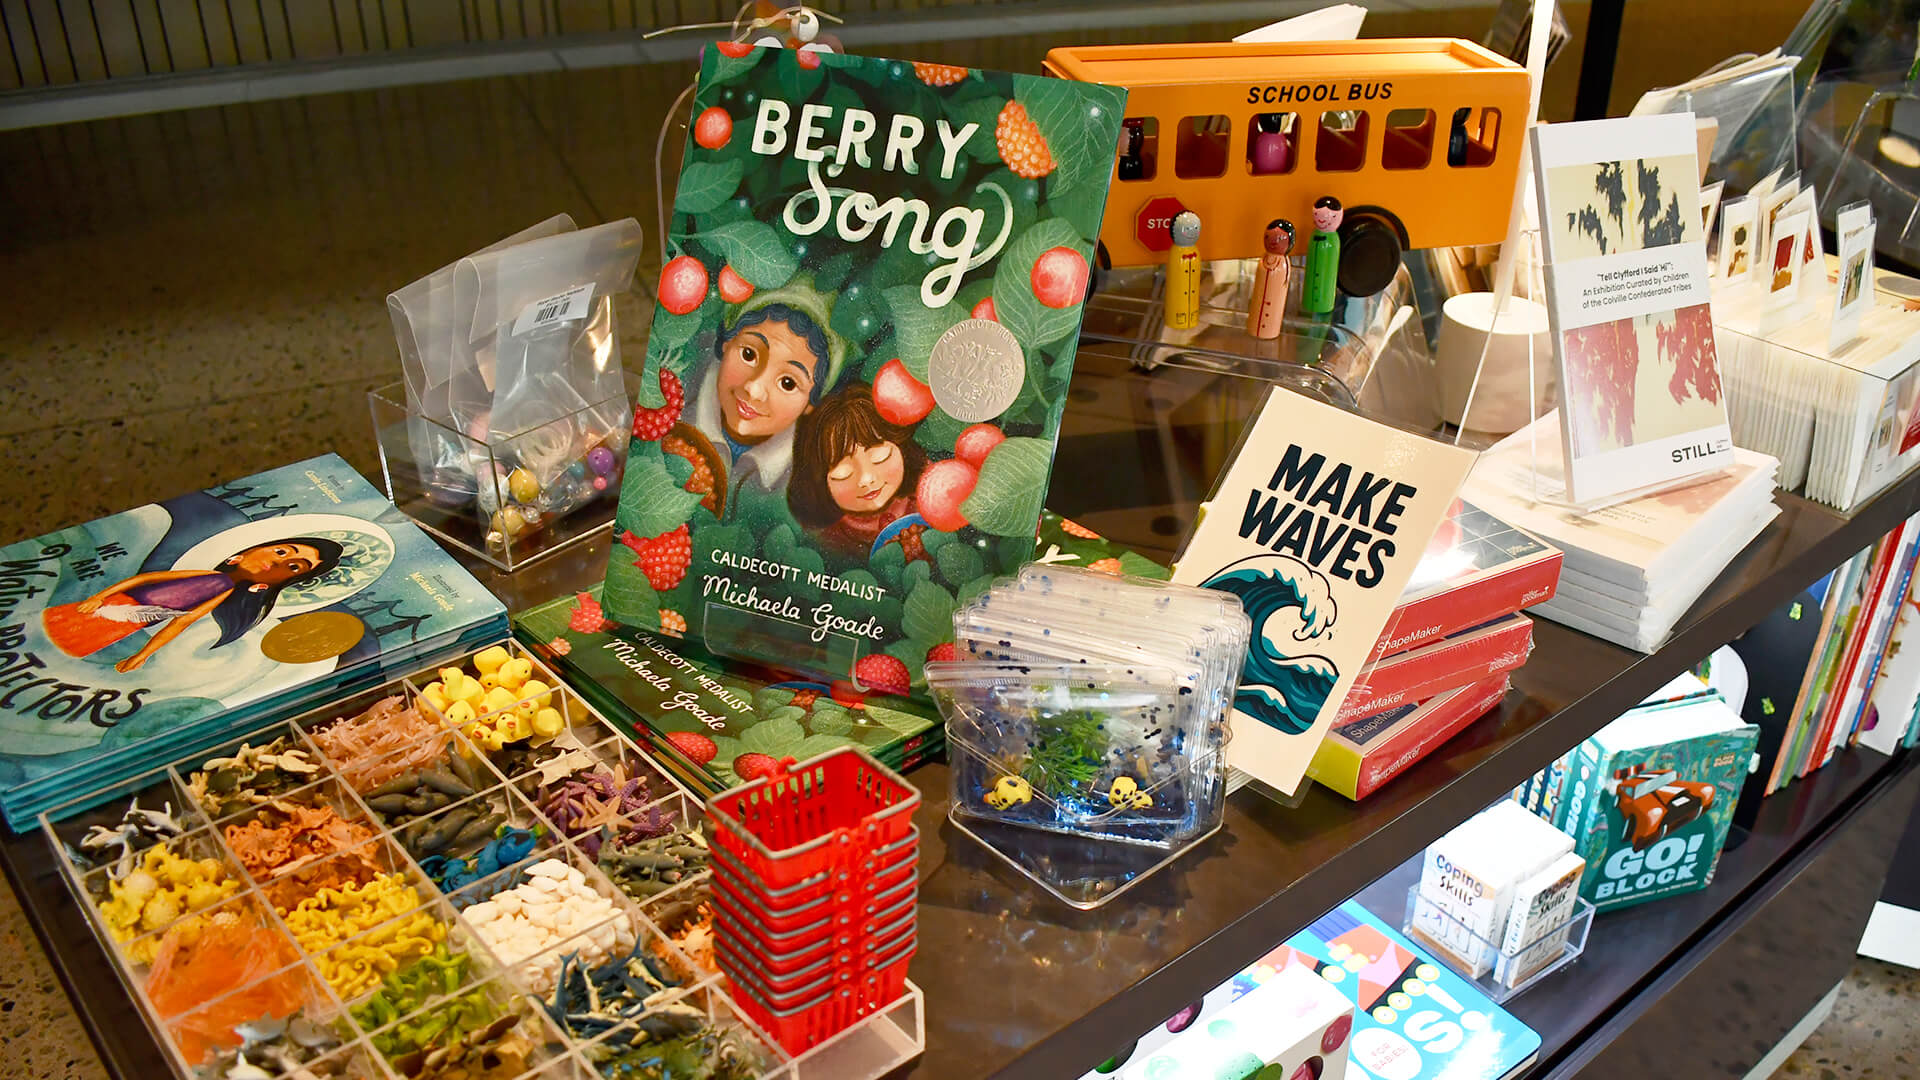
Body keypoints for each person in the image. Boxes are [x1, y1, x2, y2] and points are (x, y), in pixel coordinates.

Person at [42, 537, 345, 673]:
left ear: (267, 587)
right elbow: (147, 578)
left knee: (55, 655)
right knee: (42, 634)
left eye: (294, 568)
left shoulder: (222, 592)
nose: (280, 561)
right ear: (245, 552)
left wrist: (143, 654)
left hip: (124, 624)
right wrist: (99, 597)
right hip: (108, 607)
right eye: (281, 551)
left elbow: (181, 621)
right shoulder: (208, 575)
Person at [684, 281, 848, 507]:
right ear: (727, 343)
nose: (754, 389)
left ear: (811, 403)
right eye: (749, 354)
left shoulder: (802, 483)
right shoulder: (676, 389)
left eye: (788, 383)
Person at [788, 384, 929, 563]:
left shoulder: (930, 487)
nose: (867, 478)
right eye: (843, 472)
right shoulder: (829, 543)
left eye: (879, 456)